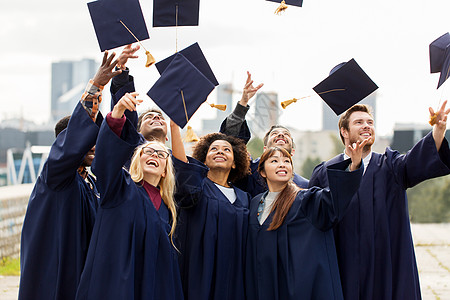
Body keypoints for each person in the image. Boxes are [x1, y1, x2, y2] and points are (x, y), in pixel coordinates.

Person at [308, 102, 450, 300]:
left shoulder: (390, 166)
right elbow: (313, 219)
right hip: (342, 266)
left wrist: (439, 130)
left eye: (370, 122)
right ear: (344, 131)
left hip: (384, 266)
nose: (367, 125)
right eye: (359, 122)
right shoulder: (325, 172)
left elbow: (417, 159)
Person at [19, 51, 121, 300]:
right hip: (56, 276)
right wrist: (96, 86)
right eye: (87, 140)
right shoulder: (56, 177)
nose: (94, 145)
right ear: (68, 143)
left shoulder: (91, 182)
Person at [75, 94, 183, 300]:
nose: (154, 156)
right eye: (148, 152)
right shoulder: (119, 187)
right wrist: (117, 115)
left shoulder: (168, 209)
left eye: (161, 155)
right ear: (137, 160)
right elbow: (106, 161)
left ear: (164, 171)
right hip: (116, 285)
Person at [245, 141, 366, 300]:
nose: (282, 164)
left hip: (298, 288)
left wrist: (354, 166)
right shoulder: (255, 203)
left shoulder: (306, 199)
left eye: (286, 161)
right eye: (274, 161)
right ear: (262, 172)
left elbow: (333, 200)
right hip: (265, 286)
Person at [170, 120, 251, 300]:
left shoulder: (245, 198)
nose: (220, 151)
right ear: (204, 159)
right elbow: (181, 166)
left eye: (226, 149)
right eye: (213, 149)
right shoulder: (196, 186)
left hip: (234, 278)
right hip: (198, 274)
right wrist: (174, 128)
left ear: (235, 163)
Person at [220, 71, 308, 197]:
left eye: (285, 134)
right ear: (265, 149)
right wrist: (243, 103)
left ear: (292, 152)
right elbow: (230, 142)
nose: (281, 135)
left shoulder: (304, 186)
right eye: (275, 133)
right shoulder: (249, 171)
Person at [111, 43, 168, 143]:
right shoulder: (130, 152)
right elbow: (126, 117)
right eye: (148, 117)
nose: (156, 117)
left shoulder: (173, 158)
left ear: (167, 137)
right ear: (138, 131)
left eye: (161, 118)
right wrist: (120, 69)